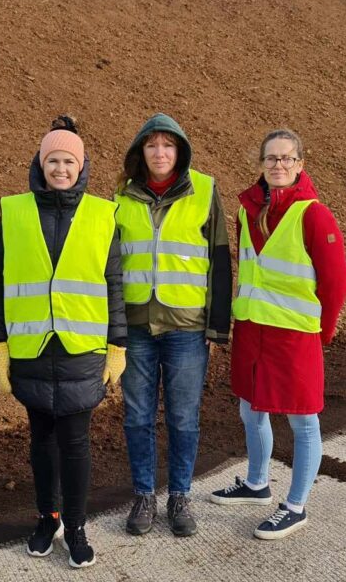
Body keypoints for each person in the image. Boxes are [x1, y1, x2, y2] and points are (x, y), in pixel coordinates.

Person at [0, 116, 127, 569]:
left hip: (82, 349)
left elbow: (114, 284)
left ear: (81, 166)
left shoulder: (104, 214)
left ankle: (77, 526)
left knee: (76, 441)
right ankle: (48, 518)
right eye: (53, 160)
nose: (60, 168)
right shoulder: (15, 211)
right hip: (31, 348)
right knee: (41, 440)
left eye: (68, 161)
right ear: (40, 164)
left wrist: (117, 345)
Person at [208, 128, 346, 541]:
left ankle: (296, 505)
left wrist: (325, 329)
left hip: (294, 335)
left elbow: (336, 281)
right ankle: (257, 484)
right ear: (262, 165)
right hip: (253, 329)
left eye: (287, 159)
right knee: (251, 410)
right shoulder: (246, 211)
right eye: (271, 159)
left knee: (304, 421)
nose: (279, 165)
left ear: (300, 165)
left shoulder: (314, 214)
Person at [113, 113, 232, 537]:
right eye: (152, 145)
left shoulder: (204, 190)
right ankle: (144, 496)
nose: (160, 153)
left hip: (186, 327)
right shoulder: (122, 196)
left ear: (179, 151)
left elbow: (219, 259)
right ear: (140, 152)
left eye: (168, 145)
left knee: (184, 417)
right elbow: (111, 265)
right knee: (138, 416)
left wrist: (218, 326)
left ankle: (180, 496)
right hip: (137, 327)